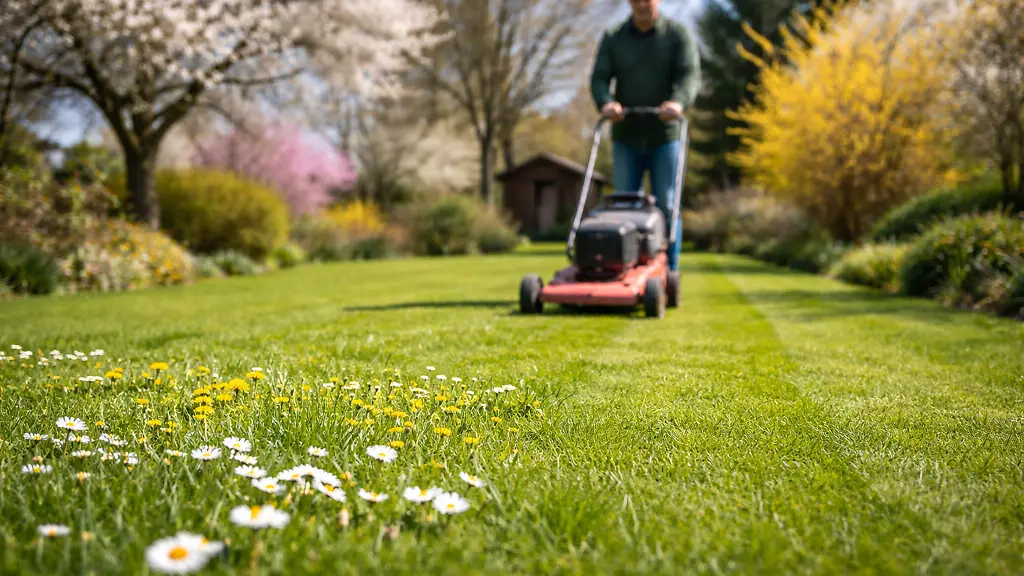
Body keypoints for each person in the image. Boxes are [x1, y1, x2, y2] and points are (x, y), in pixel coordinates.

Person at [589, 0, 701, 272]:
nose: (641, 5)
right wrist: (606, 103)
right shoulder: (614, 37)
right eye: (635, 0)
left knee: (667, 204)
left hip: (665, 135)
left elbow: (689, 75)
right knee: (624, 206)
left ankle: (669, 271)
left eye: (646, 0)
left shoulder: (677, 35)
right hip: (626, 135)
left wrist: (678, 102)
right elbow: (599, 78)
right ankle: (625, 267)